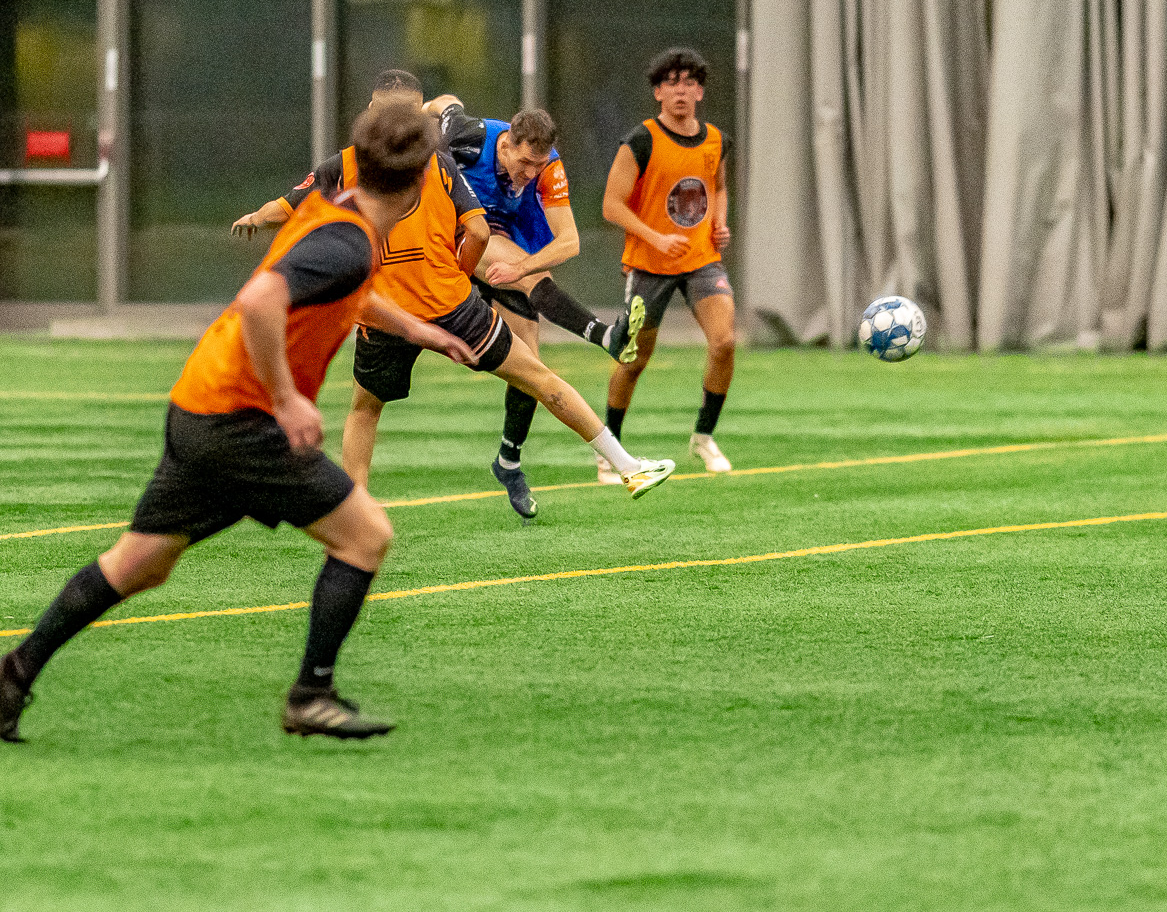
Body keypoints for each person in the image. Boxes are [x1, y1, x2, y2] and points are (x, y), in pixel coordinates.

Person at [1, 103, 477, 742]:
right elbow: (261, 300)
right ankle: (312, 694)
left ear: (357, 158)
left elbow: (344, 291)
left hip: (200, 402)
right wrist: (286, 398)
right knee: (366, 536)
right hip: (240, 421)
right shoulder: (347, 241)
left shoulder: (333, 214)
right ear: (426, 179)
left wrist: (423, 330)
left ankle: (13, 675)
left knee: (139, 563)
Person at [234, 72, 673, 521]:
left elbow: (285, 208)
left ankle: (355, 506)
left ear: (371, 111)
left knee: (365, 410)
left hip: (386, 312)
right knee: (540, 378)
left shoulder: (343, 166)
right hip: (451, 304)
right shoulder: (438, 161)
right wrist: (459, 274)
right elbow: (479, 229)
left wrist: (254, 217)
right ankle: (627, 466)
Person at [420, 96, 646, 502]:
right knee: (525, 269)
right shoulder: (469, 136)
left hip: (501, 253)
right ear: (505, 144)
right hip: (453, 244)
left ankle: (508, 460)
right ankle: (606, 336)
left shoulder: (548, 168)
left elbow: (570, 242)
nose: (529, 174)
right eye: (523, 163)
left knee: (530, 368)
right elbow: (446, 102)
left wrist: (520, 270)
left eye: (537, 166)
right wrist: (417, 113)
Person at [597, 47, 737, 483]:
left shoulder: (716, 140)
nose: (681, 90)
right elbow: (611, 205)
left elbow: (718, 187)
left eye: (689, 82)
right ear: (658, 92)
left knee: (725, 343)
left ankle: (704, 436)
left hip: (701, 260)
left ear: (700, 92)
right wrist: (656, 236)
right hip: (649, 264)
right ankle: (610, 448)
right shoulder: (640, 141)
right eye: (671, 82)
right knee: (634, 358)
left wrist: (719, 222)